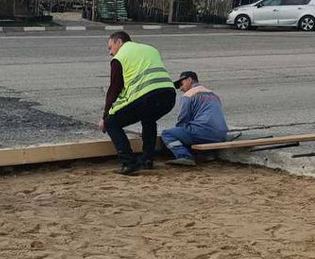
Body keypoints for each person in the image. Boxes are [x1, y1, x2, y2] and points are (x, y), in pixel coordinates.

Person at [98, 31, 176, 175]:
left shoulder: (119, 58)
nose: (110, 53)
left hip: (147, 96)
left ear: (119, 42)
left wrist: (105, 116)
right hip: (168, 95)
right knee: (148, 118)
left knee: (112, 123)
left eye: (110, 47)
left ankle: (128, 163)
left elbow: (114, 89)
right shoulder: (151, 49)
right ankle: (147, 159)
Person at [162, 71, 229, 166]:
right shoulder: (213, 94)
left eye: (181, 84)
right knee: (196, 129)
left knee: (168, 134)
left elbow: (183, 119)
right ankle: (209, 155)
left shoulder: (189, 95)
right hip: (221, 134)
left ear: (189, 80)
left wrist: (179, 132)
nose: (181, 88)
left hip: (203, 132)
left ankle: (184, 157)